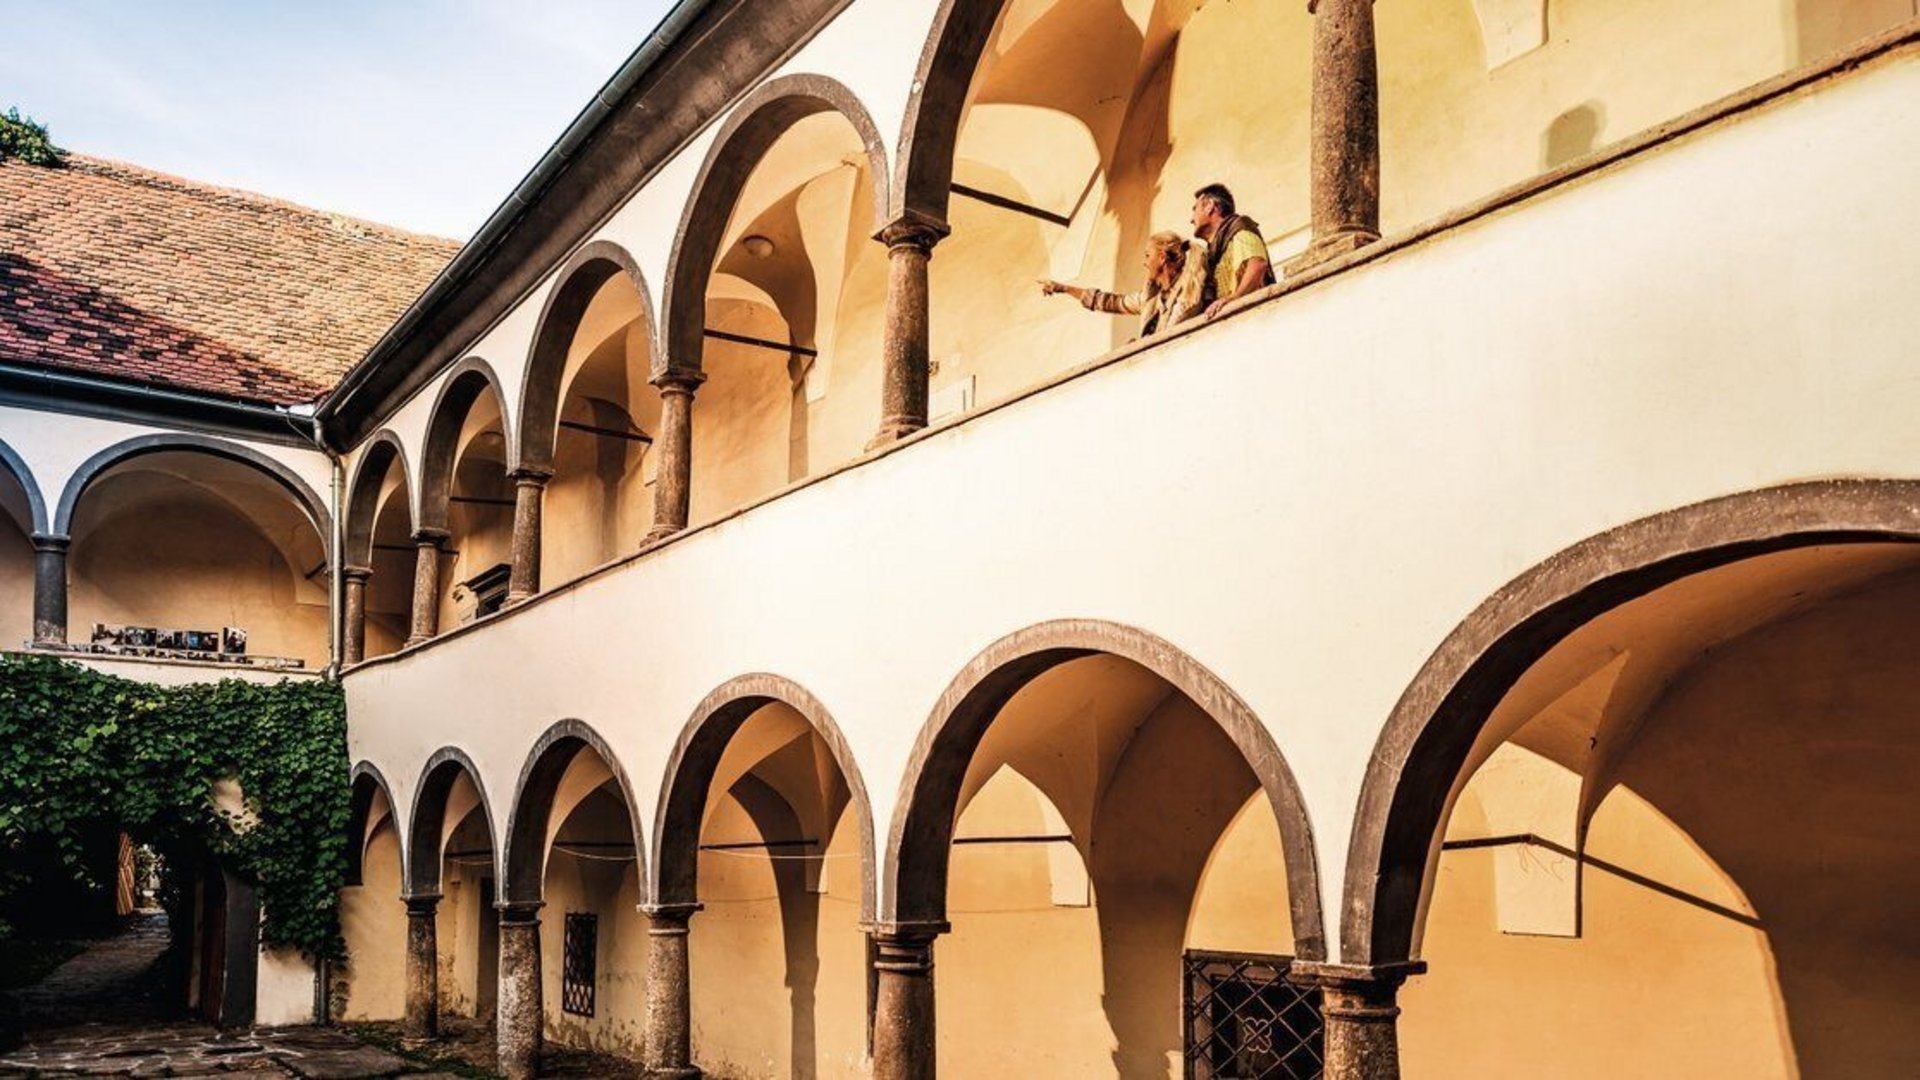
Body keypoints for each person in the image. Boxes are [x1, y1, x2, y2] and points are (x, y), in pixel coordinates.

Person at [1038, 230, 1208, 341]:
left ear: (1162, 258)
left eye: (1148, 255)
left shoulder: (1188, 289)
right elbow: (1111, 302)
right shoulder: (1150, 298)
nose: (1145, 262)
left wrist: (1140, 345)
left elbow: (1171, 337)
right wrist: (1065, 288)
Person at [1190, 183, 1273, 319]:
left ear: (1209, 206)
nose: (1191, 219)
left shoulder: (1240, 229)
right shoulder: (1212, 253)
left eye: (1195, 209)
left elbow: (1257, 265)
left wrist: (1234, 298)